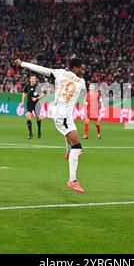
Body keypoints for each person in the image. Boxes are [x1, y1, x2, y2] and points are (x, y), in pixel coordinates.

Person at [15, 57, 86, 193]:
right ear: (75, 68)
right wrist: (23, 64)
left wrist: (23, 64)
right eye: (81, 68)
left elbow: (42, 69)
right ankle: (72, 180)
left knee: (72, 140)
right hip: (62, 116)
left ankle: (68, 154)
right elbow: (41, 69)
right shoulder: (80, 81)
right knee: (77, 147)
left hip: (66, 114)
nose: (83, 70)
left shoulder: (60, 73)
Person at [22, 75, 45, 139]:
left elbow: (43, 95)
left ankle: (39, 130)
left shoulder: (37, 87)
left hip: (36, 105)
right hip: (29, 104)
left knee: (38, 118)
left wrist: (36, 98)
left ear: (35, 80)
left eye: (34, 79)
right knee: (28, 118)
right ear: (30, 80)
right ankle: (30, 133)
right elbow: (24, 94)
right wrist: (22, 102)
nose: (33, 80)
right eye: (32, 78)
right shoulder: (27, 86)